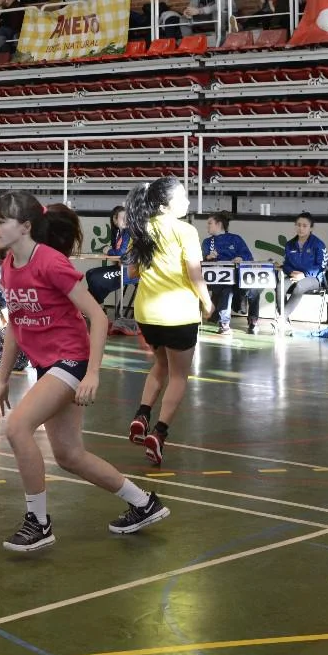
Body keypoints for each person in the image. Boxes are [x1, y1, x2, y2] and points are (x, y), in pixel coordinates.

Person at [0, 191, 170, 552]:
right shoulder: (9, 265)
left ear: (25, 227)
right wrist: (2, 378)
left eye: (1, 221)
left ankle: (38, 523)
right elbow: (15, 324)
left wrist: (93, 373)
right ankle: (144, 503)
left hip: (71, 359)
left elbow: (99, 317)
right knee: (69, 455)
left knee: (17, 427)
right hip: (48, 364)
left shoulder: (50, 263)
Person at [125, 177, 213, 465]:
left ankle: (142, 415)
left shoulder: (141, 228)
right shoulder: (185, 230)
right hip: (178, 314)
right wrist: (207, 302)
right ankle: (159, 433)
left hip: (147, 314)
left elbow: (133, 272)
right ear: (165, 205)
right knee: (178, 375)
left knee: (161, 364)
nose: (187, 201)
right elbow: (195, 273)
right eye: (182, 197)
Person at [201, 210, 261, 334]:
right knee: (226, 288)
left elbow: (248, 256)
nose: (207, 226)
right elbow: (200, 260)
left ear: (219, 224)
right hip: (218, 279)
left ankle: (253, 320)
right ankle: (224, 323)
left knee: (255, 288)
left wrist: (241, 258)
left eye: (210, 223)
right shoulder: (207, 242)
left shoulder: (235, 239)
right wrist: (208, 257)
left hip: (238, 276)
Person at [279, 211, 328, 332]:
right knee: (280, 286)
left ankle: (281, 319)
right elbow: (286, 264)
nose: (301, 228)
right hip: (294, 276)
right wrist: (291, 272)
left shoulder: (318, 244)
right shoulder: (290, 244)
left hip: (314, 278)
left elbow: (321, 266)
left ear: (311, 228)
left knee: (300, 286)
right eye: (298, 225)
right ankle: (284, 320)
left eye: (305, 226)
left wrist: (304, 275)